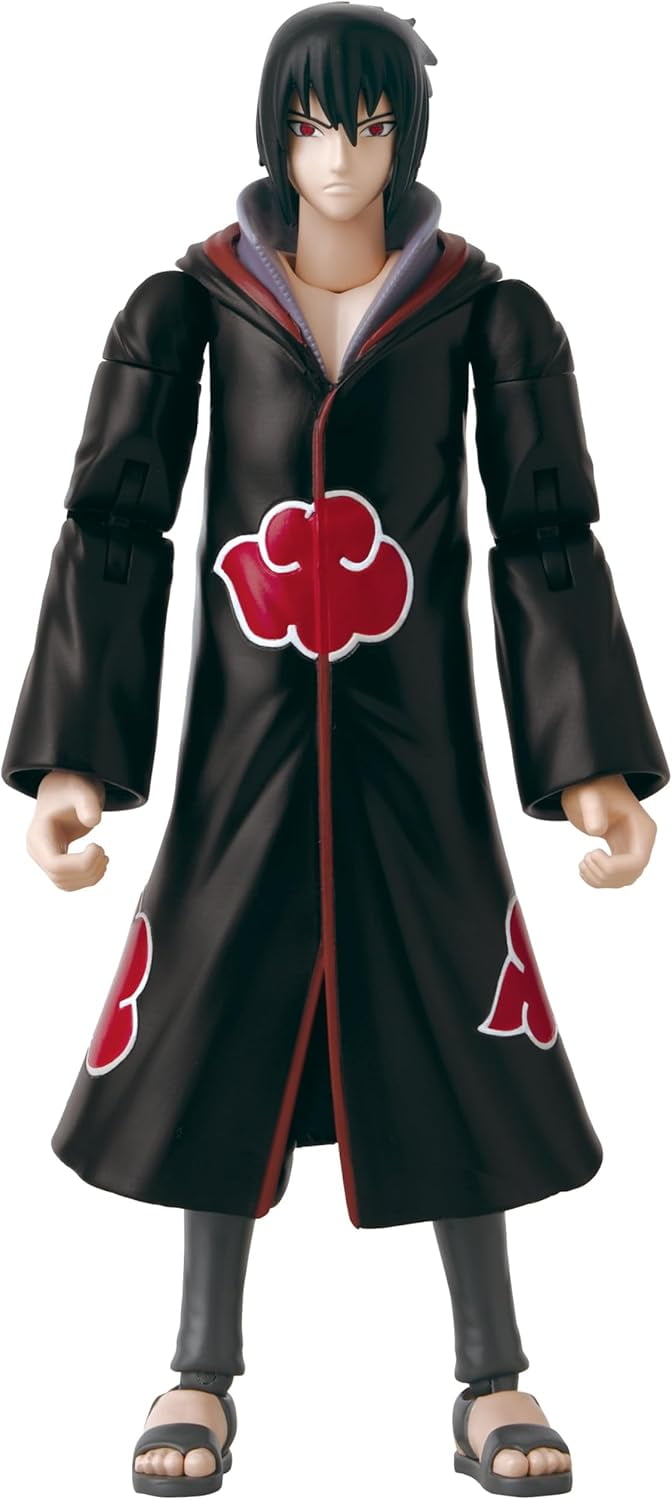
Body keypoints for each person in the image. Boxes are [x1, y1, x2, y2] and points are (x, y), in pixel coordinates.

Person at [3, 5, 668, 1495]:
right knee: (215, 1019)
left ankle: (494, 1373)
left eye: (371, 124)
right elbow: (116, 525)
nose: (343, 155)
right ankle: (197, 1367)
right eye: (315, 123)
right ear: (276, 133)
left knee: (457, 1023)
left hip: (416, 751)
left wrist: (591, 766)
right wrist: (73, 761)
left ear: (406, 136)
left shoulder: (486, 316)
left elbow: (544, 535)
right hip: (238, 748)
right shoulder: (189, 309)